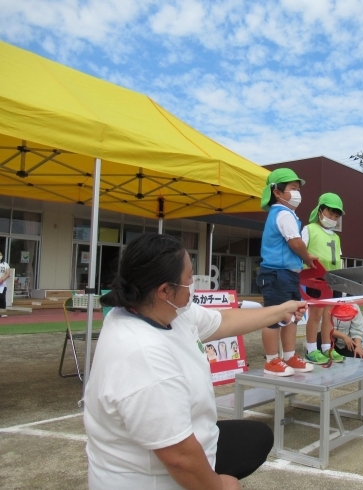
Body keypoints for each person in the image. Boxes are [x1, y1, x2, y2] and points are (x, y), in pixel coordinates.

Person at [85, 233, 306, 490]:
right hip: (152, 478)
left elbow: (223, 322)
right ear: (165, 290)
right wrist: (220, 486)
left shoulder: (165, 310)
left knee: (256, 438)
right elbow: (179, 457)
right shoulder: (143, 355)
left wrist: (282, 310)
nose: (194, 283)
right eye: (189, 277)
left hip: (183, 444)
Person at [256, 168, 318, 376]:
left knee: (291, 317)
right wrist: (308, 258)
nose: (297, 192)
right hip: (276, 273)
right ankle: (272, 361)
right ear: (277, 192)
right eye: (293, 188)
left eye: (298, 188)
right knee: (273, 317)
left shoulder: (288, 213)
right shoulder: (282, 213)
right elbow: (294, 241)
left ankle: (290, 356)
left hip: (289, 274)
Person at [302, 192, 346, 365]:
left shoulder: (336, 236)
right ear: (320, 211)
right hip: (316, 279)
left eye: (336, 216)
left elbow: (339, 259)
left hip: (334, 279)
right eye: (330, 214)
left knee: (329, 315)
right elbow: (301, 251)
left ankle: (327, 347)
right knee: (316, 314)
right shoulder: (309, 229)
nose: (333, 218)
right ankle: (311, 349)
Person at [0, 252, 9, 316]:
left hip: (2, 285)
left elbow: (8, 273)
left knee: (2, 298)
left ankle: (3, 312)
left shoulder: (5, 264)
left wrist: (2, 279)